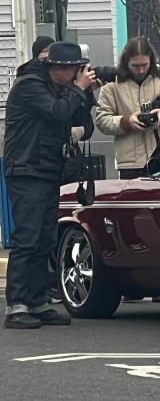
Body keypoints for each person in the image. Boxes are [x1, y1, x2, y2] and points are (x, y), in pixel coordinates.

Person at [3, 42, 96, 329]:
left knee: (46, 239)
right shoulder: (29, 86)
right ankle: (17, 305)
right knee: (28, 238)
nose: (75, 74)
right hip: (26, 169)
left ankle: (37, 301)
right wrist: (78, 90)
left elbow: (80, 123)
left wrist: (87, 95)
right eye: (71, 69)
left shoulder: (60, 89)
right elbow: (56, 113)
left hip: (46, 170)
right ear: (57, 68)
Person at [94, 37, 160, 179]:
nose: (141, 70)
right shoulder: (112, 83)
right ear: (126, 62)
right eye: (135, 66)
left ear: (151, 60)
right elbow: (101, 120)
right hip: (131, 164)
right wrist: (127, 122)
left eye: (145, 64)